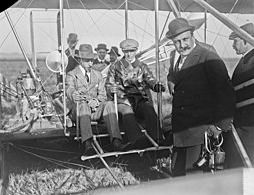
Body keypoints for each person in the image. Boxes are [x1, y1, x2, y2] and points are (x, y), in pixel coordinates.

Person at [166, 18, 235, 176]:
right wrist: (171, 81)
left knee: (194, 178)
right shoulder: (175, 57)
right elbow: (173, 74)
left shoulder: (208, 58)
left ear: (192, 36)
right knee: (178, 174)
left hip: (200, 132)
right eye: (177, 42)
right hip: (180, 131)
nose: (182, 45)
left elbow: (226, 93)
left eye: (185, 39)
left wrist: (219, 126)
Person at [66, 44, 132, 156]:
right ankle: (88, 143)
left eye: (91, 60)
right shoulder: (72, 74)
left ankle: (116, 141)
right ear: (80, 60)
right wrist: (74, 95)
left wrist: (96, 102)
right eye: (87, 61)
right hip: (79, 110)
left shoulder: (97, 75)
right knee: (83, 105)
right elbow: (69, 89)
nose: (90, 63)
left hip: (94, 109)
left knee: (109, 104)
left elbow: (102, 95)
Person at [105, 38, 169, 149]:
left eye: (131, 51)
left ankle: (158, 138)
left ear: (136, 51)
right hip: (122, 99)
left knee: (148, 109)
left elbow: (149, 79)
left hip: (138, 99)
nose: (129, 54)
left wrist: (155, 85)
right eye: (126, 51)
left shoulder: (142, 66)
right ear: (123, 51)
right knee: (127, 112)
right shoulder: (115, 67)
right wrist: (112, 90)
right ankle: (137, 140)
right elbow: (108, 84)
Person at [223, 23, 254, 168]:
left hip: (248, 122)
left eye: (236, 41)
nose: (233, 46)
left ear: (246, 41)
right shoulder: (245, 60)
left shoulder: (250, 61)